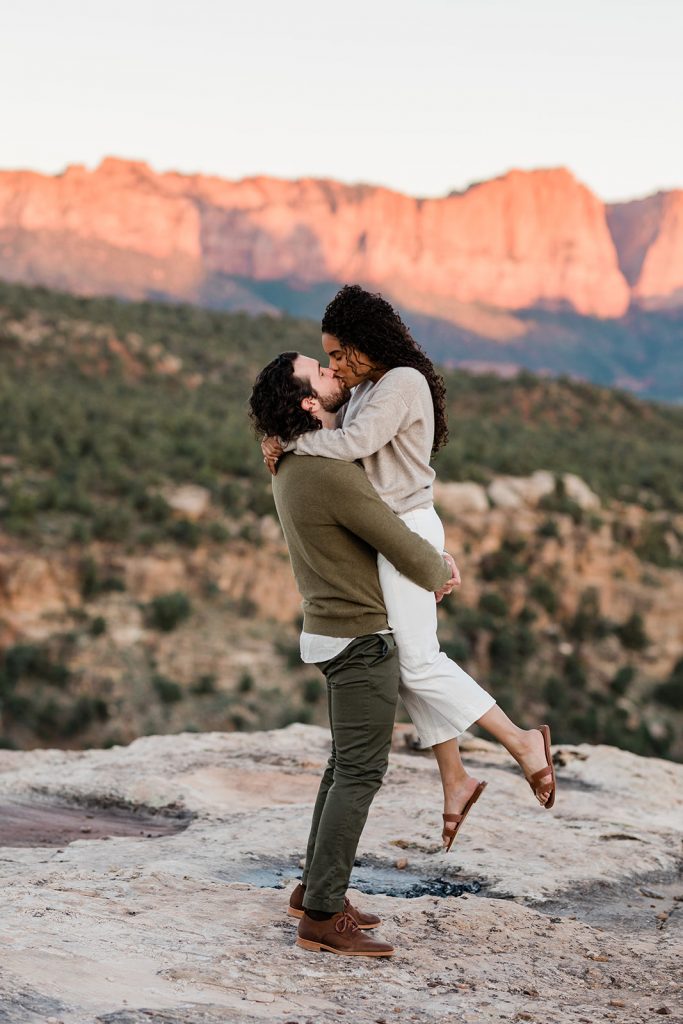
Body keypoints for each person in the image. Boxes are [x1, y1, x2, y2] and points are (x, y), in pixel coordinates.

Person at [262, 286, 556, 851]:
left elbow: (352, 443)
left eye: (341, 354)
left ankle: (522, 743)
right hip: (387, 532)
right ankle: (455, 779)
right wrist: (281, 435)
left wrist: (292, 446)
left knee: (419, 664)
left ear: (367, 342)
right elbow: (323, 420)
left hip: (408, 529)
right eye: (330, 358)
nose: (336, 367)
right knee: (405, 659)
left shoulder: (401, 383)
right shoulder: (368, 385)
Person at [249, 352, 456, 957]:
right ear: (309, 403)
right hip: (359, 637)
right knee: (360, 772)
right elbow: (401, 545)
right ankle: (319, 915)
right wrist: (440, 568)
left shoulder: (290, 464)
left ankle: (316, 890)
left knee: (342, 766)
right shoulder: (330, 473)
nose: (334, 373)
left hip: (327, 628)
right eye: (322, 371)